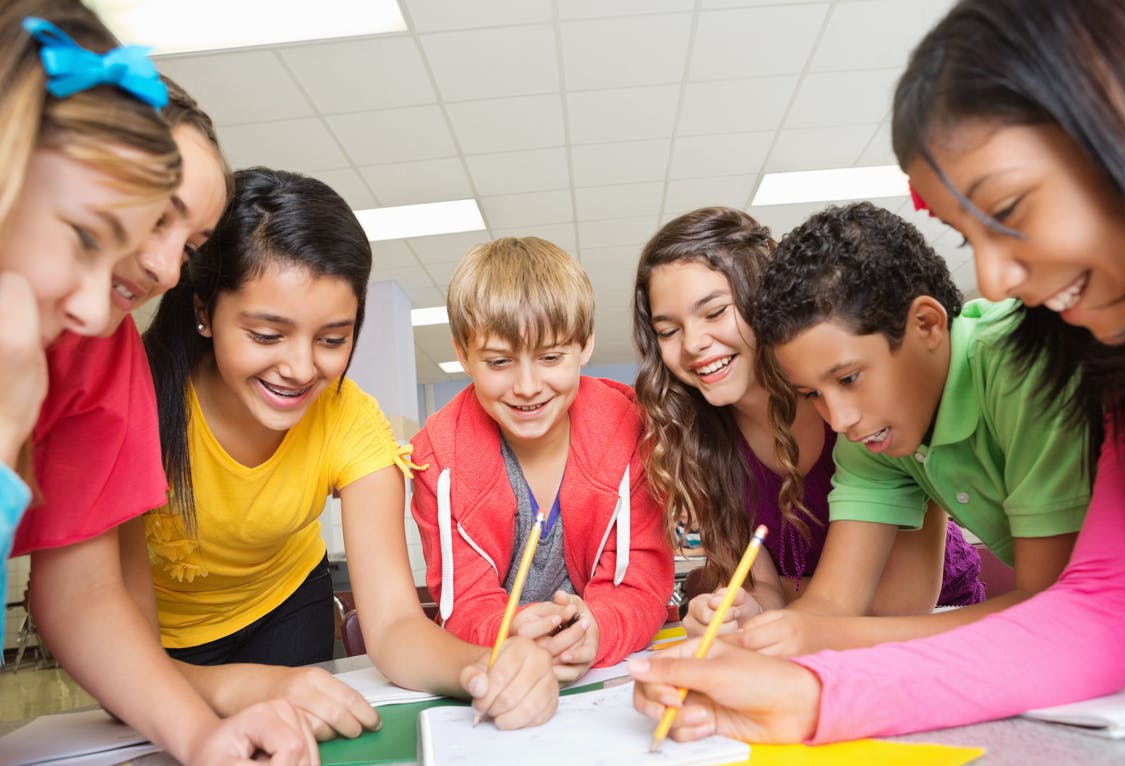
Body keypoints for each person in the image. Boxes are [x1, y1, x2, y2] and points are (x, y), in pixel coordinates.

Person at [629, 0, 1125, 743]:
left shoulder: (1029, 368)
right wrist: (809, 692)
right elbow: (1107, 607)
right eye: (968, 234)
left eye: (1011, 207)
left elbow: (1058, 601)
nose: (991, 280)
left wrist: (817, 665)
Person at [1, 2, 317, 761]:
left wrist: (200, 734)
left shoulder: (99, 346)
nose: (166, 269)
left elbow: (81, 590)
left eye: (195, 243)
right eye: (146, 221)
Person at [142, 168, 558, 729]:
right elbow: (104, 626)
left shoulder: (349, 418)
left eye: (333, 339)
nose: (300, 368)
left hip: (285, 611)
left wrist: (483, 668)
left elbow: (391, 626)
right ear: (203, 312)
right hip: (152, 643)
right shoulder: (138, 401)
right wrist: (236, 684)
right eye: (267, 335)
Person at [728, 202, 1090, 656]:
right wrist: (747, 650)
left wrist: (825, 635)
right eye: (811, 394)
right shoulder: (875, 435)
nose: (839, 420)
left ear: (927, 324)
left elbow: (1049, 606)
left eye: (848, 379)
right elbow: (831, 604)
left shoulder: (1022, 365)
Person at [631, 206, 983, 639]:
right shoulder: (697, 441)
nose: (694, 343)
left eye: (715, 312)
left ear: (767, 303)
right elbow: (766, 593)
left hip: (936, 625)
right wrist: (744, 608)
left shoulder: (866, 409)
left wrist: (785, 595)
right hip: (813, 634)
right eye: (668, 331)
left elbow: (898, 603)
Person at [410, 236, 674, 682]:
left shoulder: (635, 433)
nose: (528, 386)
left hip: (605, 680)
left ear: (585, 345)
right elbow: (464, 605)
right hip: (502, 676)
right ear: (462, 355)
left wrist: (598, 628)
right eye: (499, 362)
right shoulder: (437, 458)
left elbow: (640, 587)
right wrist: (507, 629)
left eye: (551, 357)